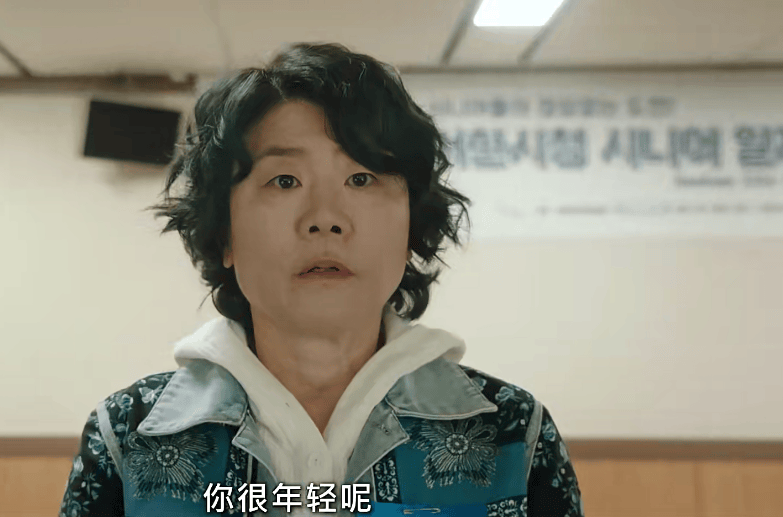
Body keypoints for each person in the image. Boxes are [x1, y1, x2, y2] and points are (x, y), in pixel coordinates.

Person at [59, 42, 584, 517]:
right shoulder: (128, 434)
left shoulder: (514, 432)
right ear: (225, 235)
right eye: (285, 180)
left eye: (362, 178)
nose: (326, 218)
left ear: (409, 228)